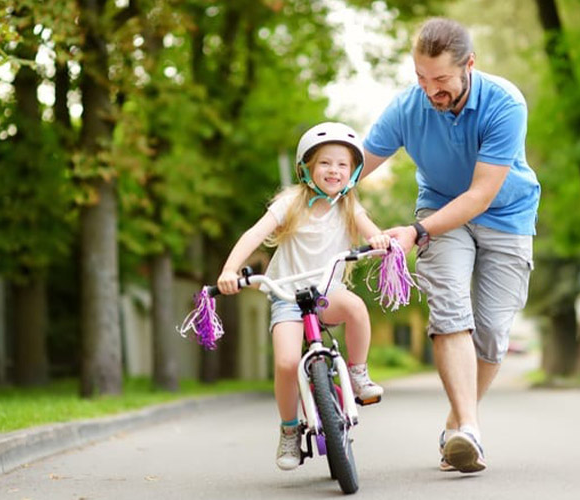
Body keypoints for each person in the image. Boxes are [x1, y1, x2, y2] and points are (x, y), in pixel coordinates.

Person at [362, 18, 540, 473]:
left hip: (506, 214)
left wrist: (415, 234)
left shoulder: (505, 103)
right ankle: (469, 432)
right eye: (421, 77)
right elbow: (358, 163)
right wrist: (314, 185)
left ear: (469, 66)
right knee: (450, 311)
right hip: (440, 213)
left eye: (440, 79)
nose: (429, 90)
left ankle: (458, 424)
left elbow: (481, 195)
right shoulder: (408, 106)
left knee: (494, 331)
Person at [216, 122, 391, 471]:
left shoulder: (348, 206)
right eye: (325, 163)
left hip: (328, 293)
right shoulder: (291, 202)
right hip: (287, 296)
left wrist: (380, 241)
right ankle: (289, 430)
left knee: (356, 307)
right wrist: (229, 270)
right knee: (284, 363)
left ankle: (357, 373)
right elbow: (254, 234)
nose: (334, 170)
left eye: (343, 164)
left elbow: (373, 233)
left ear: (353, 171)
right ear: (307, 168)